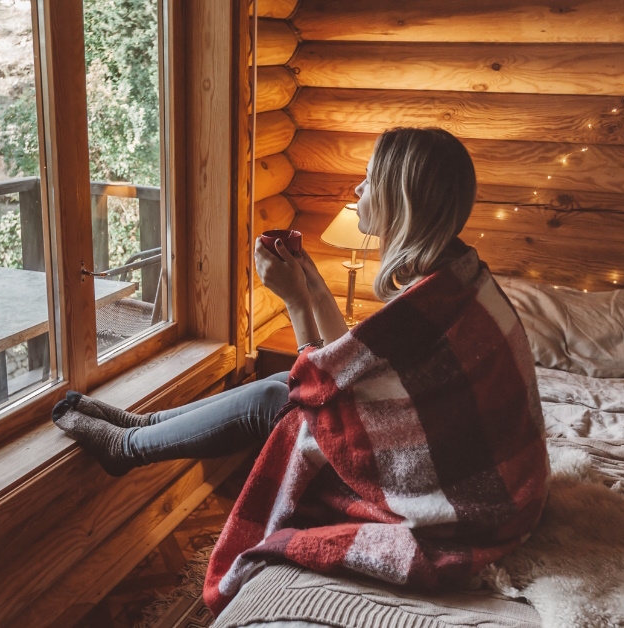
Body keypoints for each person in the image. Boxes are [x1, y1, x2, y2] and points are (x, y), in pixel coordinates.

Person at [55, 127, 549, 612]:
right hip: (493, 486)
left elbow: (319, 383)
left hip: (471, 506)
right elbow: (347, 361)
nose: (358, 190)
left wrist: (294, 301)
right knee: (277, 388)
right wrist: (312, 286)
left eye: (370, 179)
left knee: (279, 399)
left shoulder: (430, 303)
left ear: (401, 200)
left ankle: (128, 447)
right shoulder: (453, 272)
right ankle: (141, 430)